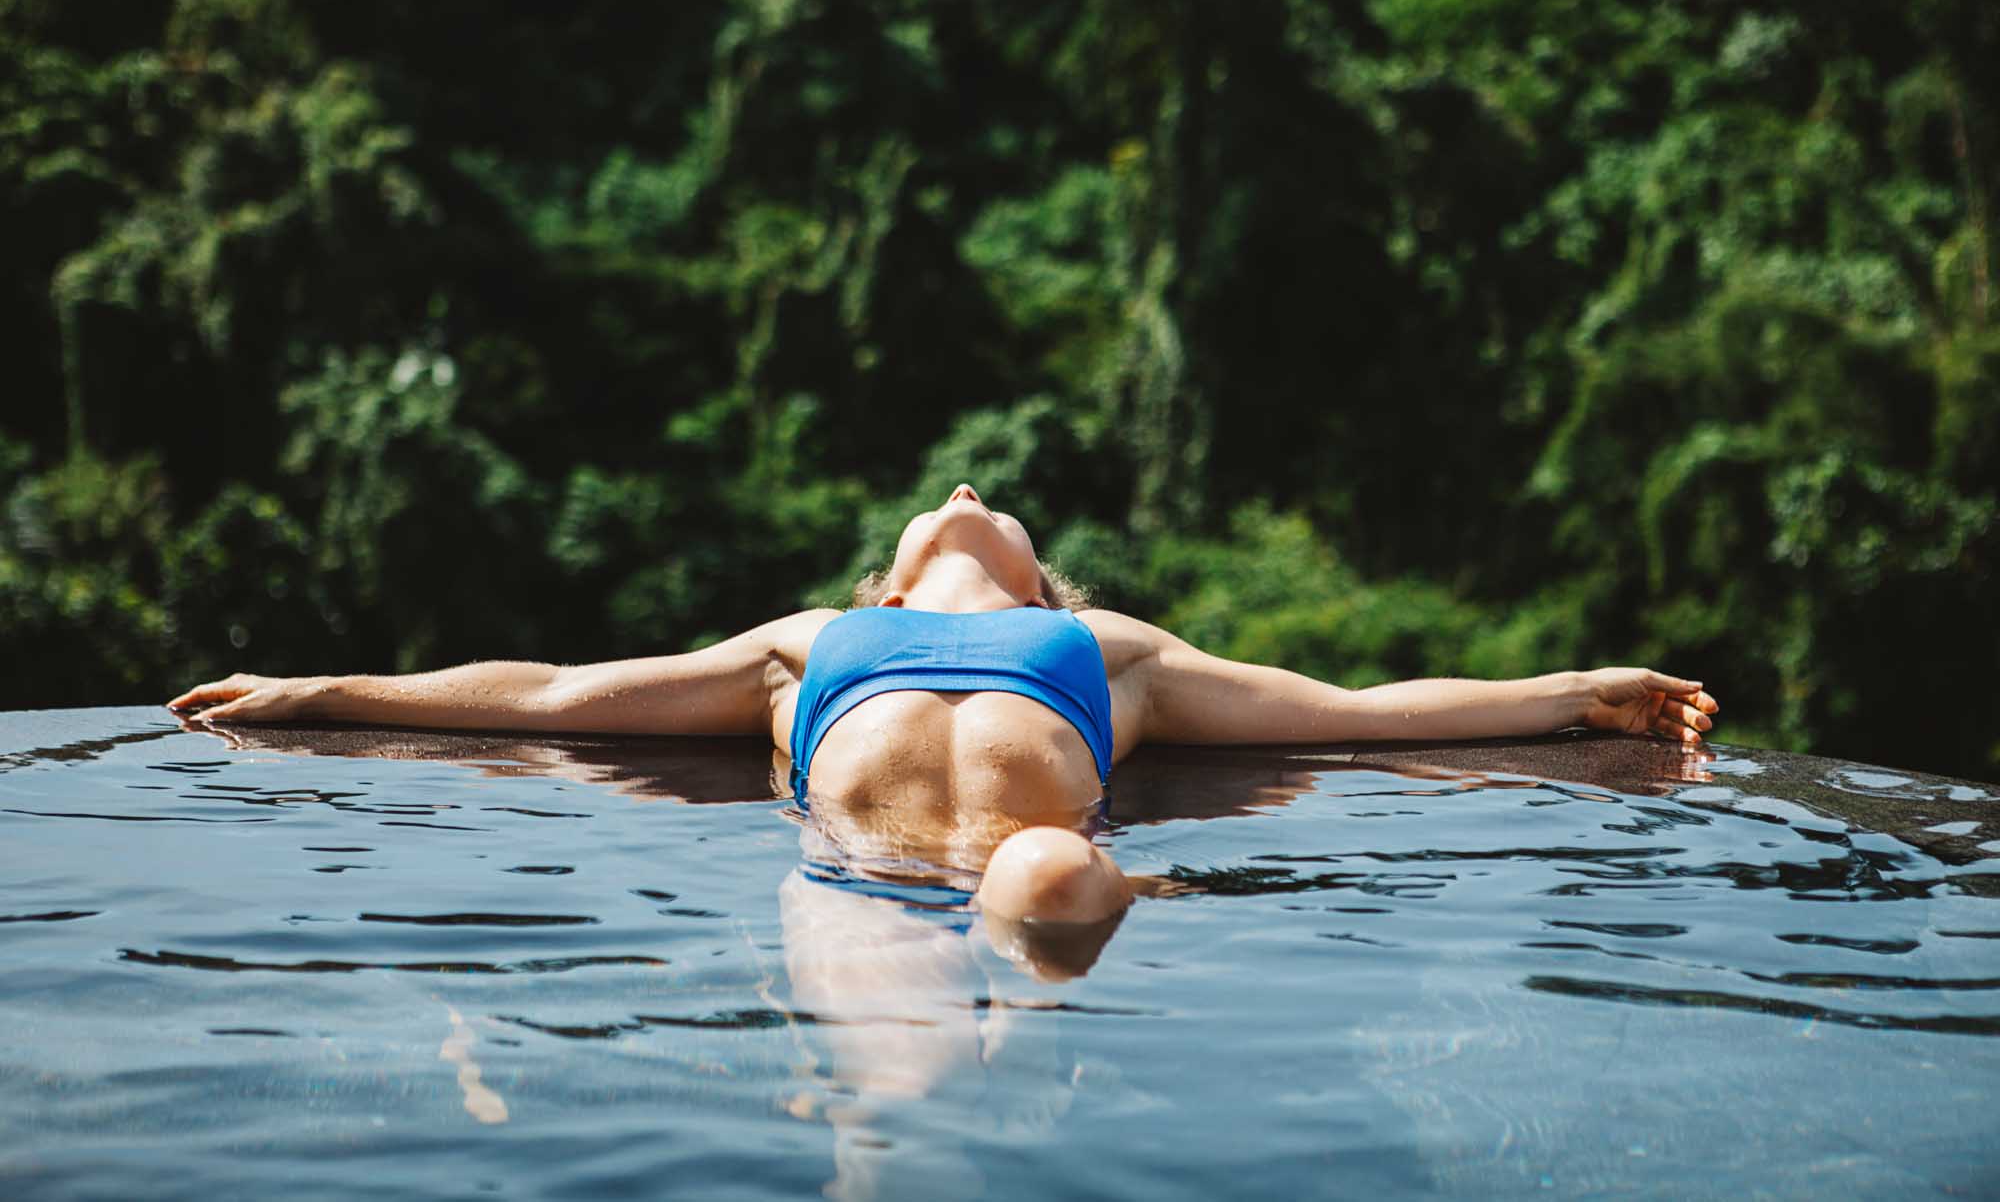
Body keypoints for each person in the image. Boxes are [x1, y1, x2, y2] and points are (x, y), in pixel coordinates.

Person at [169, 483, 1720, 931]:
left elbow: (1367, 710)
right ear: (890, 584)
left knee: (1040, 877)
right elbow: (551, 693)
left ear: (1043, 588)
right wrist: (324, 687)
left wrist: (1568, 690)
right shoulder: (805, 640)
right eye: (943, 496)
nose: (970, 488)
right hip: (853, 888)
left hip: (1023, 865)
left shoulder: (1114, 648)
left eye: (992, 500)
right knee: (889, 1129)